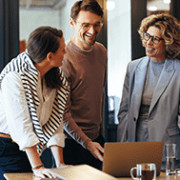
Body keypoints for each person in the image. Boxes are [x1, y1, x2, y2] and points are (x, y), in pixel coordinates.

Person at [0, 26, 69, 179]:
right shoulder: (14, 76)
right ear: (50, 56)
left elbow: (55, 120)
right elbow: (21, 126)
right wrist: (38, 166)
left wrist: (60, 164)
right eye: (63, 50)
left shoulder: (54, 76)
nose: (66, 53)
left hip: (31, 148)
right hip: (6, 148)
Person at [117, 13, 180, 169]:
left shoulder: (178, 70)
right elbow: (124, 111)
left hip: (166, 148)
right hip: (135, 147)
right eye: (147, 36)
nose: (148, 43)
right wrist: (123, 146)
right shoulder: (133, 67)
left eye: (156, 39)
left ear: (167, 42)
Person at [61, 0, 107, 169]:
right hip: (70, 145)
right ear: (72, 23)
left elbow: (99, 95)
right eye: (85, 25)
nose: (92, 31)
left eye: (97, 25)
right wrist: (87, 143)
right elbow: (63, 114)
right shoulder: (63, 58)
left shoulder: (101, 51)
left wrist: (99, 136)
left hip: (97, 141)